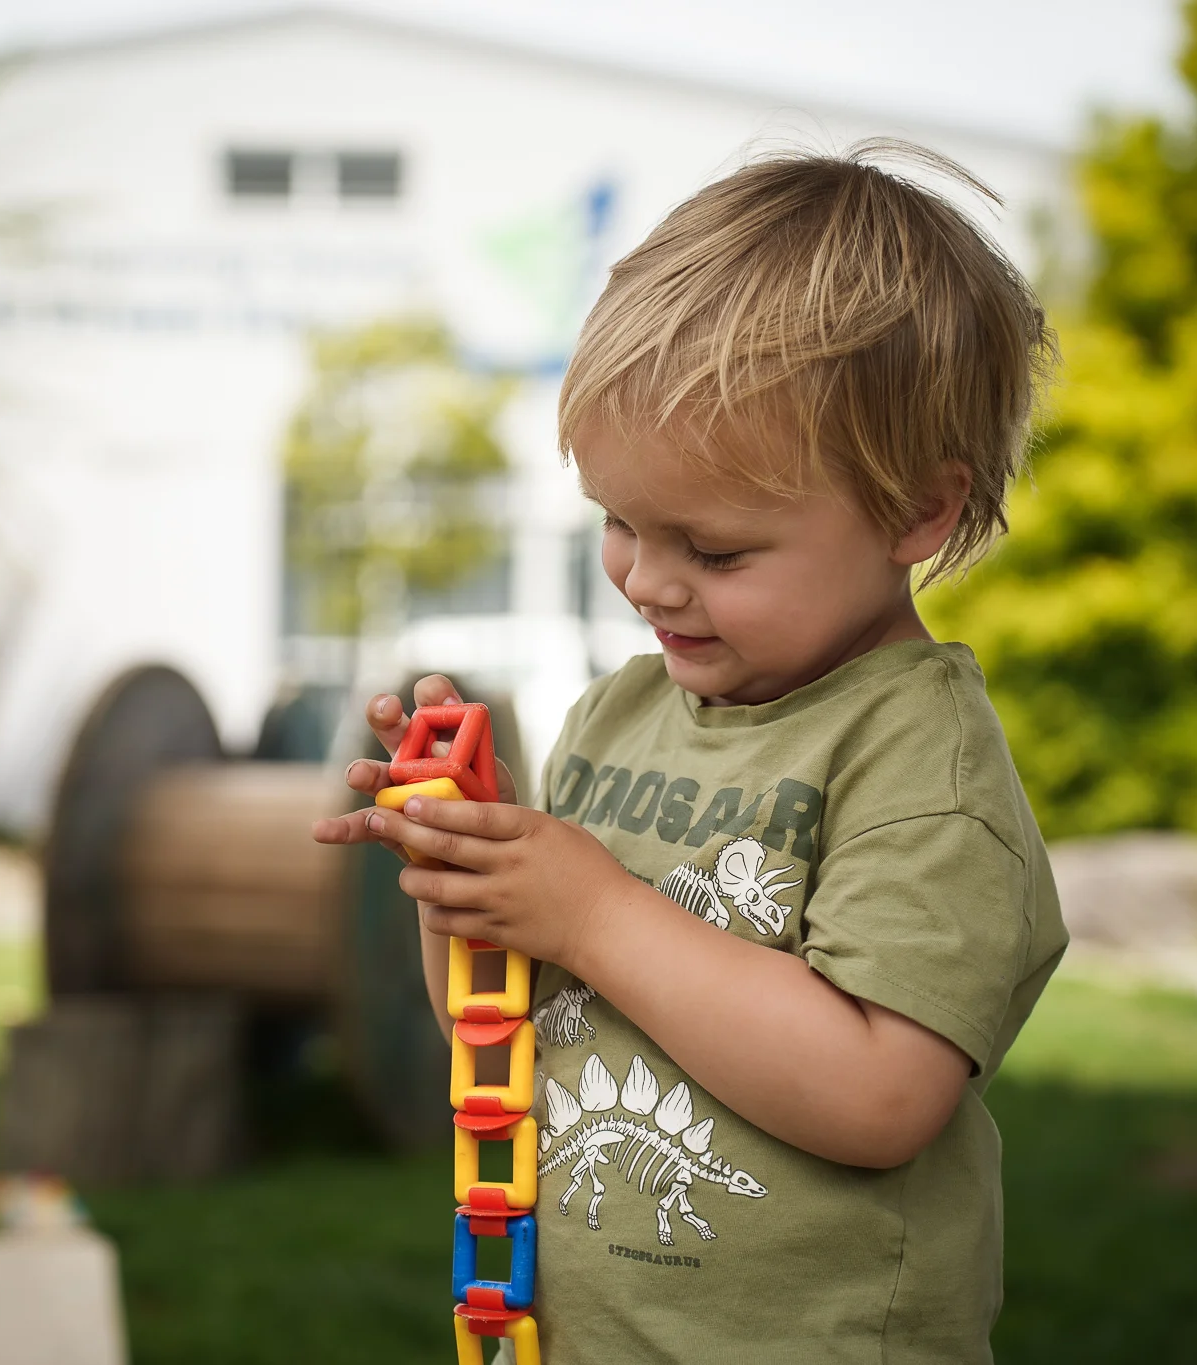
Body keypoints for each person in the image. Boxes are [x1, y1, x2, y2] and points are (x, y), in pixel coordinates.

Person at [312, 141, 1068, 1364]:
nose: (647, 580)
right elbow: (495, 1025)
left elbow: (882, 1095)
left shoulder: (916, 764)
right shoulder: (619, 717)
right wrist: (464, 871)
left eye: (713, 550)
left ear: (917, 512)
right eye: (617, 521)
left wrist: (591, 912)